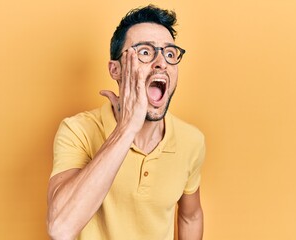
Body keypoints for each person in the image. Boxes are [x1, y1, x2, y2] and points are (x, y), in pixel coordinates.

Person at [47, 5, 205, 240]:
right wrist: (127, 128)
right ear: (116, 69)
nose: (161, 62)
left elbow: (190, 216)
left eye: (170, 54)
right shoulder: (77, 130)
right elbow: (60, 228)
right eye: (144, 52)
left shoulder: (192, 140)